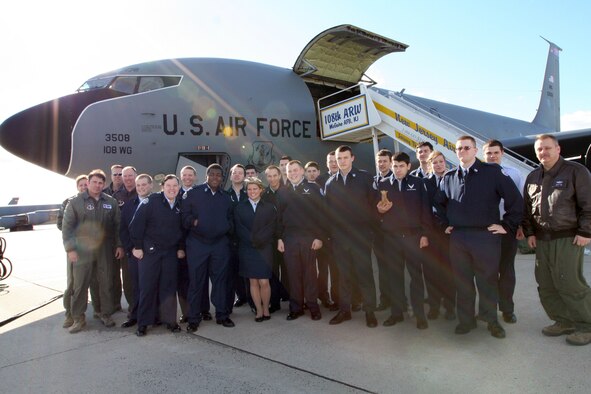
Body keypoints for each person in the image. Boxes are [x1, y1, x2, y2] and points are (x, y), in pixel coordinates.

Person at [434, 136, 522, 339]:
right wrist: (444, 225)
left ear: (475, 151)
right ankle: (466, 321)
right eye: (459, 148)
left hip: (485, 237)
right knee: (463, 282)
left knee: (487, 281)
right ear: (455, 152)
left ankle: (492, 321)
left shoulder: (492, 172)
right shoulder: (449, 177)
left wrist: (506, 226)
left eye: (467, 148)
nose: (462, 151)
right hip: (459, 238)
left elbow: (515, 201)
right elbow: (437, 204)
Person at [522, 134, 591, 346]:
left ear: (558, 149)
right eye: (539, 149)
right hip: (542, 240)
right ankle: (563, 321)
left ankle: (586, 325)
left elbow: (588, 204)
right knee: (546, 283)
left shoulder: (576, 172)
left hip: (568, 237)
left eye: (547, 148)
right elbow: (528, 210)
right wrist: (530, 233)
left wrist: (586, 232)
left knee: (570, 282)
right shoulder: (533, 177)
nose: (543, 152)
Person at [62, 169, 124, 333]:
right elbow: (67, 228)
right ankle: (78, 317)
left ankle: (104, 313)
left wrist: (119, 245)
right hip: (82, 250)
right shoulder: (75, 203)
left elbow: (117, 226)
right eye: (94, 182)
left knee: (105, 282)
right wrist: (70, 249)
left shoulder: (110, 202)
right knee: (80, 284)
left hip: (104, 249)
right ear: (88, 183)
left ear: (104, 185)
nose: (97, 185)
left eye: (100, 183)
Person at [324, 145, 378, 328]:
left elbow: (374, 206)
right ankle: (345, 311)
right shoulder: (331, 183)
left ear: (352, 158)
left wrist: (370, 231)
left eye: (345, 158)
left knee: (365, 275)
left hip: (361, 236)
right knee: (343, 276)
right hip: (340, 238)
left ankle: (369, 311)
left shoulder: (364, 178)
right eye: (339, 159)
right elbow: (328, 213)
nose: (342, 161)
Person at [377, 152, 431, 329]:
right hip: (391, 238)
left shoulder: (418, 183)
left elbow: (425, 210)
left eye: (401, 166)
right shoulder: (382, 184)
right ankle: (396, 313)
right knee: (394, 277)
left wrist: (425, 234)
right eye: (395, 166)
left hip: (413, 236)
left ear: (408, 166)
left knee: (416, 277)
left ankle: (419, 315)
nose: (397, 169)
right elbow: (373, 211)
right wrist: (380, 211)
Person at [182, 164, 235, 332]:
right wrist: (194, 222)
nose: (215, 177)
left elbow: (231, 218)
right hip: (198, 244)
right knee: (196, 282)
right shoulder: (193, 194)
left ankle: (222, 315)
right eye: (212, 174)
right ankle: (193, 318)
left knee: (220, 281)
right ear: (207, 176)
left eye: (218, 175)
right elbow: (184, 217)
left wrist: (226, 227)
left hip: (219, 245)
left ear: (222, 177)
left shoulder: (226, 197)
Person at [130, 174, 184, 336]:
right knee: (147, 287)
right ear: (162, 187)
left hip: (170, 252)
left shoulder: (180, 204)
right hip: (150, 252)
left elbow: (182, 230)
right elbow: (135, 226)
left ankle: (169, 320)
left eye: (175, 186)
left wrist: (180, 247)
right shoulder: (151, 201)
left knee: (168, 288)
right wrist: (138, 247)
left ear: (178, 188)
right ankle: (143, 323)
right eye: (168, 186)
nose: (172, 189)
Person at [483, 139, 525, 324]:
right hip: (484, 231)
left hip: (507, 228)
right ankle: (487, 310)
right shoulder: (477, 175)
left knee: (506, 271)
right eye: (488, 153)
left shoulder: (513, 174)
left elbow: (520, 202)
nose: (492, 156)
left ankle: (507, 310)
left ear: (502, 154)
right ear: (483, 155)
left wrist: (519, 226)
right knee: (486, 273)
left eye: (495, 153)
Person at [277, 160, 324, 321]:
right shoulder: (283, 191)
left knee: (310, 274)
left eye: (295, 170)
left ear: (302, 171)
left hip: (308, 237)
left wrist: (319, 237)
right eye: (289, 171)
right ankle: (296, 307)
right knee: (293, 274)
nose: (292, 173)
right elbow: (278, 218)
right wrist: (280, 238)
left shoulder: (313, 189)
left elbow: (321, 214)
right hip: (289, 238)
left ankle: (313, 306)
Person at [234, 177, 277, 322]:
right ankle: (258, 310)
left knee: (264, 281)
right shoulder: (240, 207)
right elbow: (239, 228)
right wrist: (252, 240)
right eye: (249, 189)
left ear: (261, 190)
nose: (252, 191)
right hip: (247, 248)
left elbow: (271, 227)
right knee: (253, 281)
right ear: (246, 191)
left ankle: (266, 308)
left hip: (264, 248)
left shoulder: (269, 207)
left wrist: (259, 240)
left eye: (255, 189)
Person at [423, 150, 456, 321]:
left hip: (449, 234)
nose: (438, 165)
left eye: (441, 161)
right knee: (431, 273)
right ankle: (434, 307)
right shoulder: (424, 183)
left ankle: (450, 307)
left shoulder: (453, 179)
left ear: (446, 163)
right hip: (431, 234)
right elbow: (422, 210)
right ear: (430, 165)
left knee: (449, 273)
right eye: (434, 162)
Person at [177, 165, 211, 323]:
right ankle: (187, 311)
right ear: (181, 176)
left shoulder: (201, 194)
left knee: (201, 279)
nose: (188, 178)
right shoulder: (175, 194)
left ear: (196, 177)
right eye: (185, 175)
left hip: (198, 242)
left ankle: (204, 309)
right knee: (184, 280)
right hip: (180, 243)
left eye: (191, 175)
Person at [120, 174, 153, 329]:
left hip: (152, 253)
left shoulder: (157, 204)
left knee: (150, 287)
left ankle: (152, 316)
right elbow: (123, 230)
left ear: (151, 186)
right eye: (138, 185)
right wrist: (131, 248)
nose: (141, 188)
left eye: (144, 185)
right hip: (134, 253)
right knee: (135, 286)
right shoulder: (128, 205)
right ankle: (134, 315)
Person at [58, 175, 90, 329]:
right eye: (81, 185)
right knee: (72, 284)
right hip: (75, 249)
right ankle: (69, 314)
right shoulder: (69, 202)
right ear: (78, 187)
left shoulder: (93, 201)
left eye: (86, 184)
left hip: (90, 249)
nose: (84, 187)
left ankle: (86, 313)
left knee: (88, 282)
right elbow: (62, 225)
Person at [314, 151, 340, 311]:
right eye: (330, 161)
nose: (333, 163)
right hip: (323, 231)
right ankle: (323, 296)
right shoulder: (320, 181)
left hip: (338, 232)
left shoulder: (346, 180)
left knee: (338, 269)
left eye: (334, 161)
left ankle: (338, 298)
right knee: (323, 269)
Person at [262, 165, 289, 312]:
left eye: (274, 175)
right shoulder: (264, 194)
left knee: (288, 270)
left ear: (279, 176)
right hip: (271, 240)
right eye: (269, 176)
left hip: (286, 237)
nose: (272, 179)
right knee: (273, 271)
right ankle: (275, 301)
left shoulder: (288, 192)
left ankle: (289, 297)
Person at [112, 165, 137, 313]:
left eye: (130, 175)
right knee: (128, 279)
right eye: (125, 176)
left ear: (135, 176)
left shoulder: (143, 193)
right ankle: (133, 308)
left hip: (142, 245)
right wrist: (119, 245)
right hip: (126, 245)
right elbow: (115, 224)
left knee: (144, 278)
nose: (127, 178)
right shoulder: (116, 197)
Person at [226, 164, 251, 311]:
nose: (237, 175)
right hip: (231, 240)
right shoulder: (225, 194)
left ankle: (251, 296)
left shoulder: (249, 192)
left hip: (246, 238)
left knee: (248, 270)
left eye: (240, 173)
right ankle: (241, 296)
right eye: (234, 173)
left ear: (244, 176)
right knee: (234, 270)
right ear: (230, 176)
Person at [373, 149, 394, 312]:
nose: (381, 164)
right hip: (379, 232)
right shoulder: (373, 181)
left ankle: (399, 299)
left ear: (390, 161)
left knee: (396, 268)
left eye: (384, 161)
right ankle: (385, 299)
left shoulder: (396, 180)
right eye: (379, 161)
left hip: (395, 231)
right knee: (382, 268)